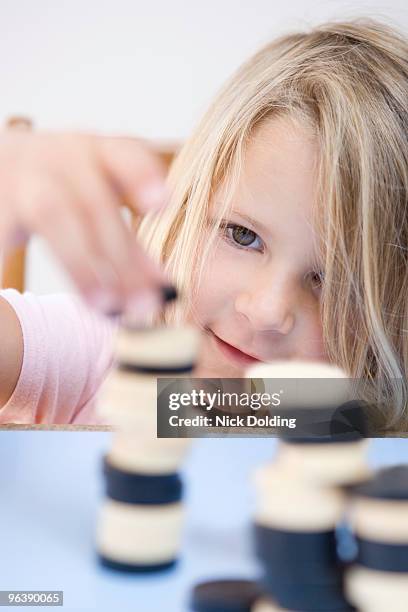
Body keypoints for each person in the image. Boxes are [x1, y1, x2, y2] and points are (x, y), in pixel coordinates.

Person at [0, 17, 407, 429]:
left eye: (336, 279)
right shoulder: (99, 351)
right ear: (184, 214)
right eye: (242, 235)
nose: (267, 311)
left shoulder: (376, 409)